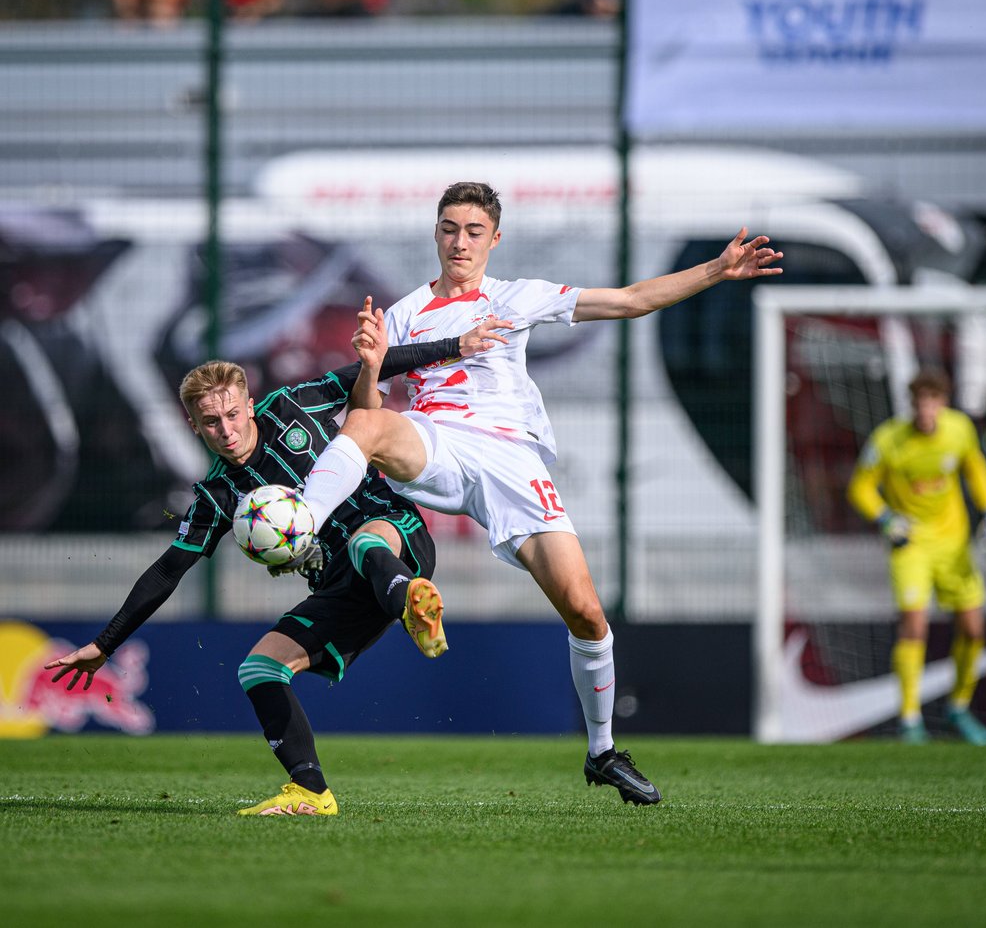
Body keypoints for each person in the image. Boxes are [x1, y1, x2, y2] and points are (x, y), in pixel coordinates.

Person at [298, 182, 784, 805]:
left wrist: (717, 270)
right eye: (450, 228)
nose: (461, 241)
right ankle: (301, 524)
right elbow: (370, 415)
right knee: (361, 425)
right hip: (437, 443)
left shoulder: (515, 298)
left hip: (510, 459)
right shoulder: (400, 314)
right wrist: (370, 365)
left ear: (495, 239)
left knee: (585, 612)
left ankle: (602, 751)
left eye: (474, 231)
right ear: (435, 233)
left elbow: (632, 300)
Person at [45, 313, 510, 817]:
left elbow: (374, 366)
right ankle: (311, 791)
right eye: (211, 423)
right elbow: (166, 571)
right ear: (193, 425)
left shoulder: (294, 404)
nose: (226, 431)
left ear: (249, 405)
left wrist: (458, 344)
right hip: (341, 588)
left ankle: (411, 603)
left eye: (232, 416)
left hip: (393, 534)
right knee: (259, 669)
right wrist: (103, 643)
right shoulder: (217, 495)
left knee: (360, 542)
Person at [847, 367, 986, 745]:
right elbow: (861, 487)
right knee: (914, 623)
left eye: (933, 404)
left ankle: (958, 706)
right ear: (912, 407)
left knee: (973, 629)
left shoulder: (959, 431)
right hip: (912, 545)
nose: (927, 413)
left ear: (944, 404)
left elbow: (977, 471)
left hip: (953, 544)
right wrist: (886, 518)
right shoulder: (888, 440)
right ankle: (909, 718)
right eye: (920, 405)